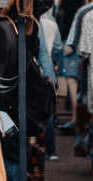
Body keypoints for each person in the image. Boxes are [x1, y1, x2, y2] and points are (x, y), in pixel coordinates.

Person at [38, 12, 62, 161]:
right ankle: (50, 150)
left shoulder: (34, 21)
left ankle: (40, 149)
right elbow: (58, 47)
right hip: (46, 70)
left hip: (33, 69)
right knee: (47, 113)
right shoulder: (52, 24)